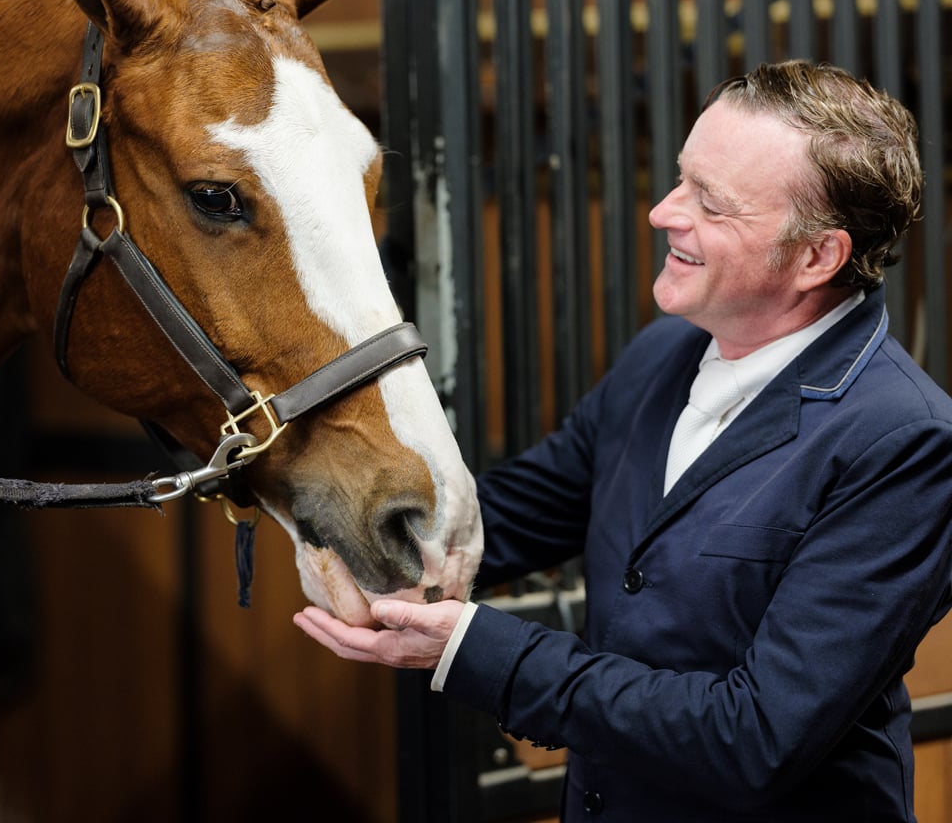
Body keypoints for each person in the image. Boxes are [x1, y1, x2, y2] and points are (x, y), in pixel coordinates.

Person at [293, 60, 952, 822]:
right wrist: (340, 519)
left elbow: (756, 738)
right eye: (682, 179)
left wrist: (471, 651)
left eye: (712, 203)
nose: (664, 212)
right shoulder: (663, 354)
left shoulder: (908, 446)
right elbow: (509, 518)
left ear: (817, 257)